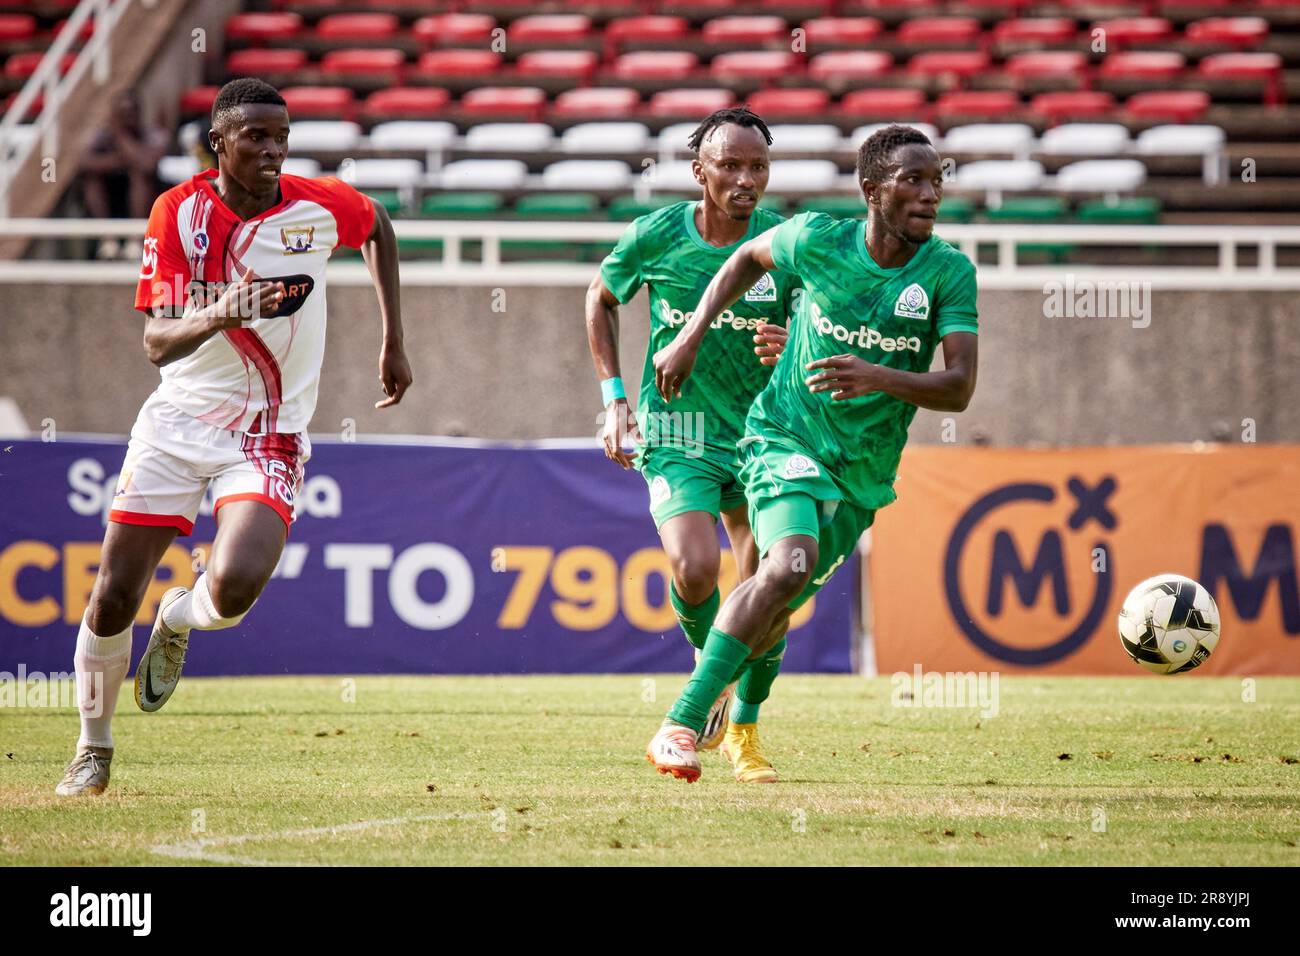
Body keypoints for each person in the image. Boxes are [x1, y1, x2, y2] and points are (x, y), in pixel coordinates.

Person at [55, 78, 413, 796]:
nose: (273, 149)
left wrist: (392, 340)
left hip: (268, 436)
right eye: (256, 136)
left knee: (237, 585)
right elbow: (156, 342)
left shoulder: (316, 206)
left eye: (281, 135)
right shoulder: (177, 214)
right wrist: (221, 313)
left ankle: (180, 618)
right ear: (218, 142)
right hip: (176, 424)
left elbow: (377, 228)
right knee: (112, 595)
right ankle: (93, 747)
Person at [645, 125, 980, 782]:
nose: (929, 195)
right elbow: (744, 261)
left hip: (863, 471)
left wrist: (877, 375)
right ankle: (681, 723)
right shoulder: (816, 238)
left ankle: (727, 699)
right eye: (912, 181)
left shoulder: (948, 272)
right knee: (788, 566)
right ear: (871, 190)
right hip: (783, 438)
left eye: (936, 180)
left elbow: (959, 388)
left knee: (777, 605)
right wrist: (692, 330)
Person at [586, 108, 796, 782]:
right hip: (679, 433)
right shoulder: (657, 235)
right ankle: (716, 696)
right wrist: (614, 398)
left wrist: (792, 346)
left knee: (770, 588)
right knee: (696, 567)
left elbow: (820, 323)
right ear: (698, 170)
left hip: (765, 432)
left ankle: (745, 733)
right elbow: (601, 297)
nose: (745, 178)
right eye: (730, 164)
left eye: (757, 166)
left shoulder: (785, 242)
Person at [80, 90, 170, 260]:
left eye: (131, 112)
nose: (127, 118)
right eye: (122, 113)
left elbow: (147, 165)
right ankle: (107, 240)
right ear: (114, 114)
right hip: (111, 196)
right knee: (91, 180)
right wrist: (123, 160)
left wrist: (121, 136)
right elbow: (83, 163)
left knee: (140, 176)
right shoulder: (101, 136)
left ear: (139, 113)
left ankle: (135, 241)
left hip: (148, 196)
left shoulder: (153, 134)